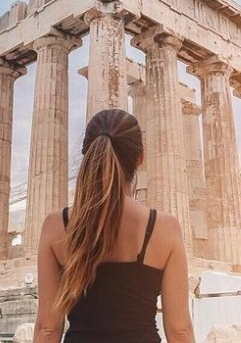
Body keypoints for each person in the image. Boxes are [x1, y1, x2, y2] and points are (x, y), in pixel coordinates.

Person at [34, 109, 194, 343]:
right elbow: (180, 331)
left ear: (86, 153)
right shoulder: (164, 228)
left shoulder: (56, 226)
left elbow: (48, 329)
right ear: (140, 158)